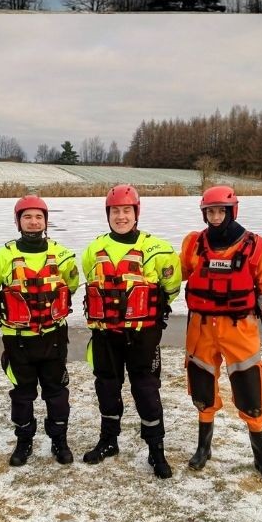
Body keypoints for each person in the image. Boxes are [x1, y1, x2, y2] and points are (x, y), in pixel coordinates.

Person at [80, 184, 183, 478]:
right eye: (115, 211)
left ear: (136, 213)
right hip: (105, 335)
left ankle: (156, 450)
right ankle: (109, 441)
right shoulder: (93, 249)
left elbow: (171, 290)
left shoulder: (159, 250)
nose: (121, 216)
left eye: (126, 211)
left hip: (143, 335)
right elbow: (91, 280)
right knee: (107, 389)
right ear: (108, 214)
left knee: (147, 391)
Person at [180, 185, 262, 484]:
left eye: (220, 211)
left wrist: (251, 311)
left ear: (231, 211)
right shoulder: (193, 243)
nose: (214, 216)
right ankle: (203, 448)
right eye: (209, 211)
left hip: (239, 328)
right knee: (202, 390)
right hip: (201, 327)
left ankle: (261, 458)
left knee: (250, 393)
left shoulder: (254, 245)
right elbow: (180, 271)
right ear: (203, 213)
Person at [0, 194, 79, 468]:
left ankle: (59, 439)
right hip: (18, 339)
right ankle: (24, 440)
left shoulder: (63, 255)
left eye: (39, 217)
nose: (33, 222)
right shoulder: (1, 258)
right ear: (17, 221)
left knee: (56, 393)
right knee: (22, 394)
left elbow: (71, 286)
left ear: (46, 221)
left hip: (54, 337)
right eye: (27, 217)